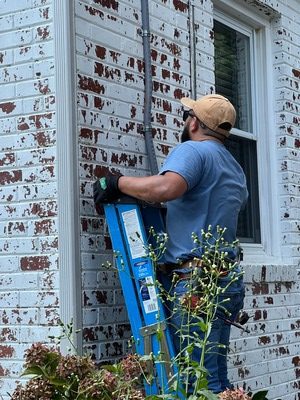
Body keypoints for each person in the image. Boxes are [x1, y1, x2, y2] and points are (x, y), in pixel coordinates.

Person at [93, 94, 248, 393]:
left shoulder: (193, 151)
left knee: (196, 381)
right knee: (213, 372)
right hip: (226, 279)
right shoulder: (234, 167)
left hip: (197, 280)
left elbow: (166, 188)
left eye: (187, 116)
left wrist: (116, 183)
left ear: (194, 123)